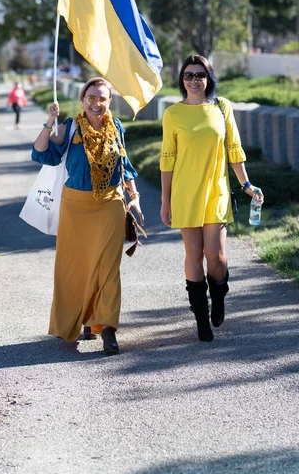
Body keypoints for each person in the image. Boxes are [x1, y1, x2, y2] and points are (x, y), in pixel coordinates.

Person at [31, 77, 143, 355]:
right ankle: (83, 319)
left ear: (109, 102)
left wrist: (135, 197)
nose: (96, 103)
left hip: (110, 204)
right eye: (91, 98)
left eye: (102, 98)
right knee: (77, 268)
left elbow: (125, 165)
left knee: (107, 268)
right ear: (83, 100)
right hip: (75, 207)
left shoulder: (116, 127)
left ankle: (108, 329)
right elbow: (42, 152)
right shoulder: (68, 127)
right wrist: (49, 121)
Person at [160, 55, 264, 342]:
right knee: (193, 255)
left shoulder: (222, 107)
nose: (194, 80)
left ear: (209, 78)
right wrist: (165, 200)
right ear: (182, 80)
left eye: (200, 75)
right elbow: (167, 159)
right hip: (184, 192)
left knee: (215, 256)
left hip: (216, 191)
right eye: (189, 75)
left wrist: (247, 185)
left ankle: (219, 295)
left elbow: (234, 149)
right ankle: (201, 319)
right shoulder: (172, 114)